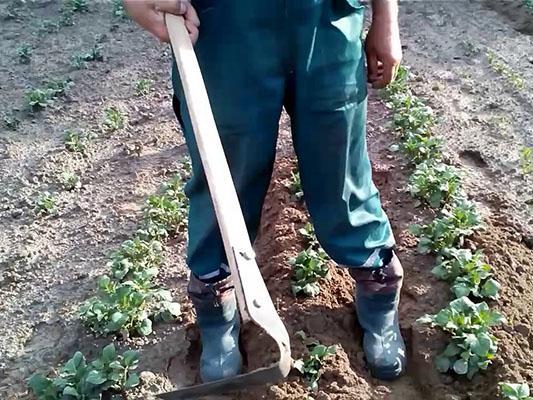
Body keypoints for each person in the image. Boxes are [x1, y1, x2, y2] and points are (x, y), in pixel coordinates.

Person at [124, 0, 405, 382]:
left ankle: (378, 283)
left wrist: (386, 18)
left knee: (340, 166)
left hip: (328, 17)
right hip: (223, 21)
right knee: (225, 168)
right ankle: (215, 295)